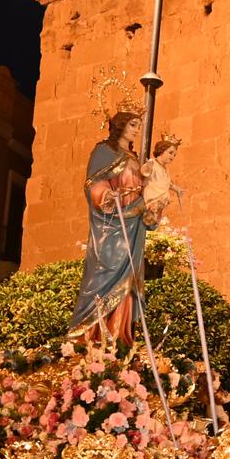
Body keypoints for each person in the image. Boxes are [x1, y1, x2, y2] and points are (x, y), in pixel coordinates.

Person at [70, 108, 146, 345]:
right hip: (111, 226)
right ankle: (94, 335)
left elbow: (144, 190)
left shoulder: (135, 159)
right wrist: (106, 196)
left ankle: (120, 337)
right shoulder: (104, 150)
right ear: (121, 125)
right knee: (103, 275)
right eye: (133, 125)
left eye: (138, 125)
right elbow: (94, 184)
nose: (136, 130)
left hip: (133, 225)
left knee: (128, 280)